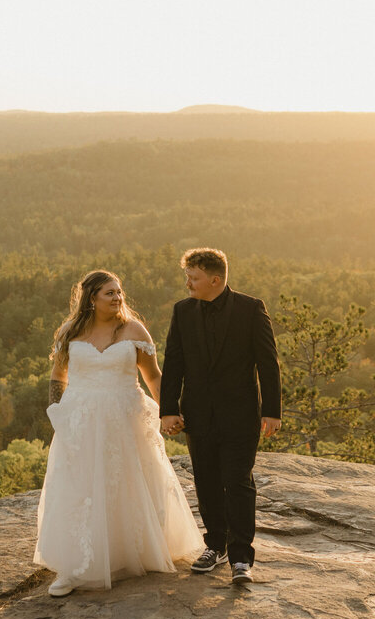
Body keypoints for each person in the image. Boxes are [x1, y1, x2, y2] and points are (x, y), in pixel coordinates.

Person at [34, 270, 204, 598]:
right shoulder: (70, 332)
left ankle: (133, 552)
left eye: (119, 292)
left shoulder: (134, 330)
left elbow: (153, 376)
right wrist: (57, 412)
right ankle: (76, 564)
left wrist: (169, 412)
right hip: (82, 420)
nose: (117, 297)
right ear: (91, 298)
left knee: (128, 482)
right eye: (109, 293)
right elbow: (58, 376)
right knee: (80, 485)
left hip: (126, 418)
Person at [158, 248, 280, 585]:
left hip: (241, 414)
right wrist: (168, 409)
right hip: (198, 414)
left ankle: (241, 557)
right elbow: (174, 362)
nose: (187, 284)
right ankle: (215, 545)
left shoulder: (251, 309)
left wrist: (272, 411)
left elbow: (267, 362)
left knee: (238, 481)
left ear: (215, 280)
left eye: (193, 278)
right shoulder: (182, 311)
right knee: (206, 480)